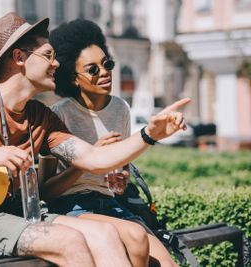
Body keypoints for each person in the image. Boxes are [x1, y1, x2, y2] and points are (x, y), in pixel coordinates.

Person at [0, 12, 188, 267]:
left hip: (30, 214)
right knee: (71, 241)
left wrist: (150, 135)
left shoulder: (41, 116)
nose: (57, 64)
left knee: (107, 233)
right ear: (19, 58)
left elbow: (96, 160)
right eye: (48, 55)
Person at [38, 19, 180, 267]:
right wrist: (87, 162)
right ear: (73, 78)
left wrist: (121, 179)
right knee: (136, 237)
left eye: (108, 64)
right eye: (92, 69)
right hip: (71, 207)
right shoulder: (59, 115)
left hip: (111, 204)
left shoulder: (120, 108)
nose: (104, 73)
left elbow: (121, 168)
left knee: (168, 264)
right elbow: (45, 192)